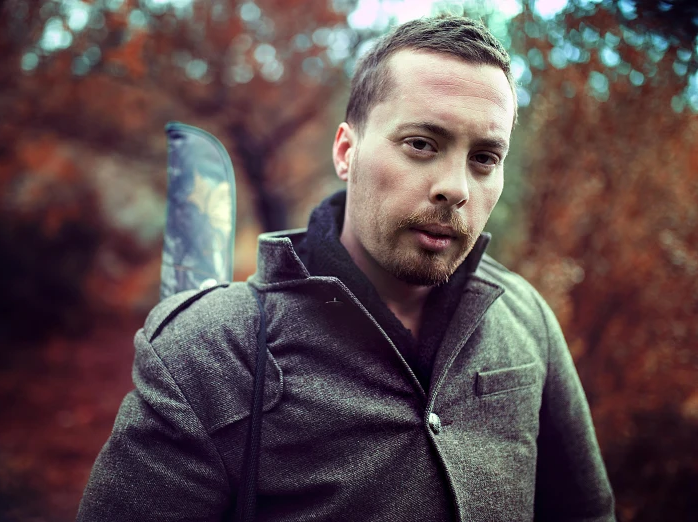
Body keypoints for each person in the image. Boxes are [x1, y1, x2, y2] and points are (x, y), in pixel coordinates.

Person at [78, 16, 615, 521]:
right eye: (421, 144)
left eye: (484, 158)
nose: (456, 187)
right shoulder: (209, 350)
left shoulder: (526, 319)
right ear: (345, 151)